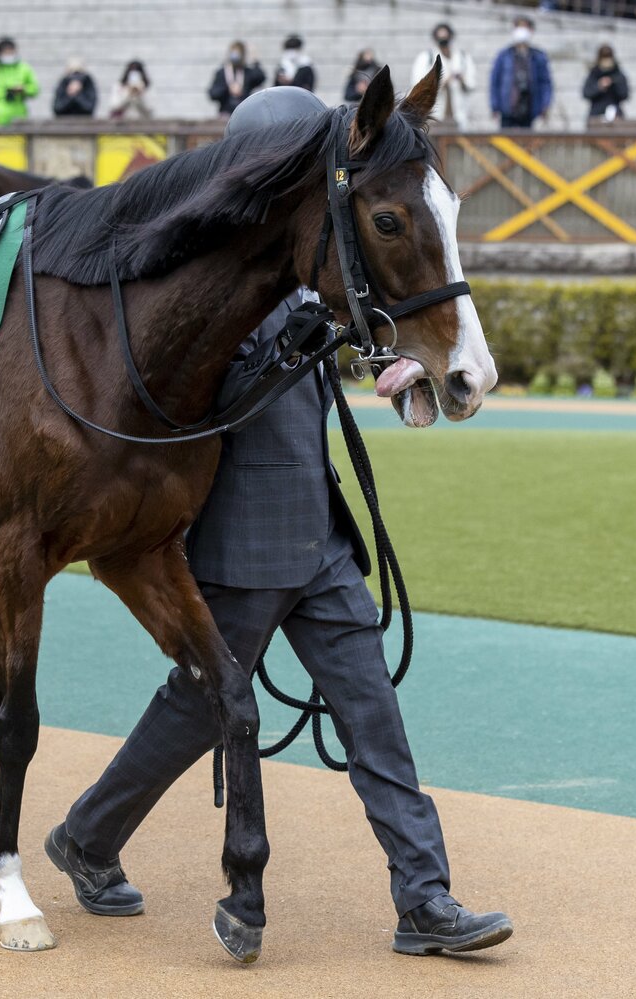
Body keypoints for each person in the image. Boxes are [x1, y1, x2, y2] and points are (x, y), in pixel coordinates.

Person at [43, 83, 514, 962]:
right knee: (194, 711)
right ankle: (88, 835)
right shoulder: (203, 290)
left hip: (321, 541)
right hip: (242, 546)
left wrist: (395, 356)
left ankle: (425, 896)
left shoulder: (308, 268)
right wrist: (313, 332)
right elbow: (206, 397)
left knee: (375, 715)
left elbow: (347, 313)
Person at [489, 16, 552, 129]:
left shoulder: (538, 56)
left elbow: (545, 83)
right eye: (518, 27)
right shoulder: (504, 56)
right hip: (508, 108)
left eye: (524, 27)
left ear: (531, 31)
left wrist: (545, 105)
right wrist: (495, 106)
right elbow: (495, 82)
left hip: (529, 108)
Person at [410, 23, 476, 129]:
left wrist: (462, 79)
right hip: (434, 117)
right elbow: (417, 87)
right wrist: (443, 81)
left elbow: (471, 84)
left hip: (459, 117)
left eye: (446, 38)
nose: (444, 42)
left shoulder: (463, 57)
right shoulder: (425, 58)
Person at [0, 37, 40, 127]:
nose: (8, 54)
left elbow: (35, 89)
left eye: (10, 51)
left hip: (19, 114)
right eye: (5, 51)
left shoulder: (24, 68)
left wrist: (24, 89)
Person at [209, 40, 266, 117]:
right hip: (226, 114)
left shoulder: (246, 72)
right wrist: (228, 88)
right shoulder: (222, 73)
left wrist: (255, 60)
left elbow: (261, 78)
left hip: (244, 114)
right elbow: (213, 94)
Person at [582, 45, 629, 123]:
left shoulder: (618, 74)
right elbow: (586, 93)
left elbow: (624, 94)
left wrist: (613, 84)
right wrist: (599, 86)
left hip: (615, 114)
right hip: (596, 114)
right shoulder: (594, 74)